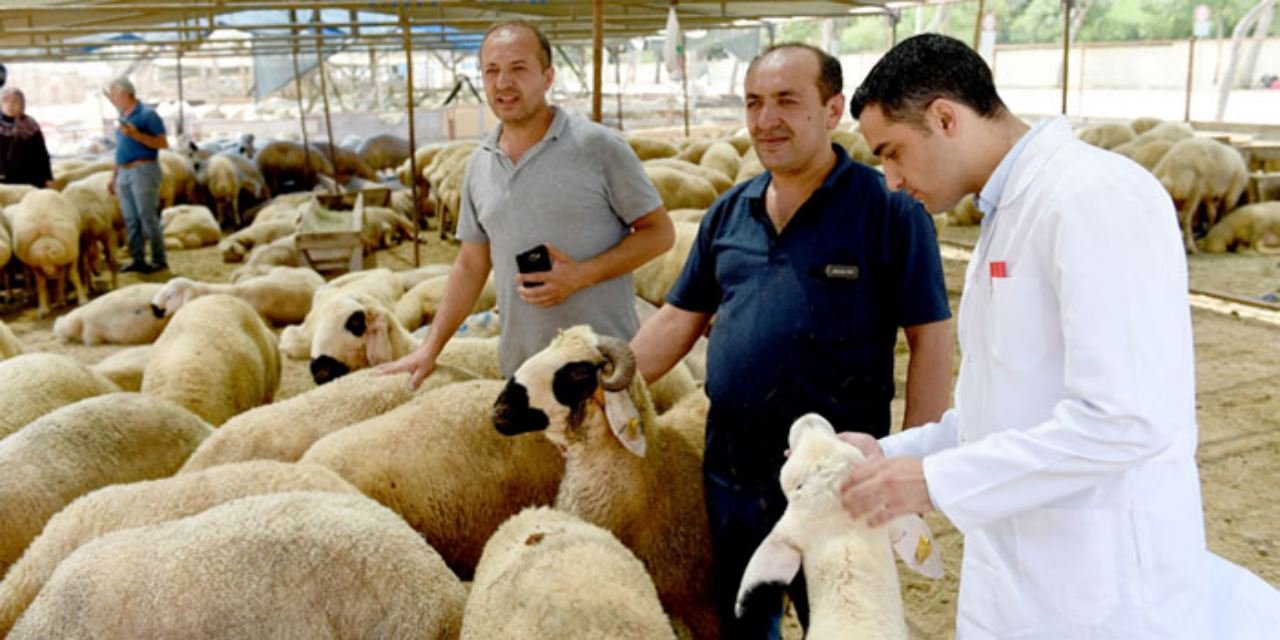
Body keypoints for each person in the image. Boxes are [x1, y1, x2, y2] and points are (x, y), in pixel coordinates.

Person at [838, 33, 1222, 638]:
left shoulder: (1091, 198)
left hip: (1104, 589)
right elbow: (1002, 415)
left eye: (893, 153)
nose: (890, 180)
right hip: (1028, 581)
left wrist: (934, 482)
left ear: (945, 118)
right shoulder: (1010, 213)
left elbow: (1126, 419)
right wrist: (894, 454)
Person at [629, 43, 953, 639]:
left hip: (839, 482)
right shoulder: (729, 213)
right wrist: (612, 381)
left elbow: (931, 339)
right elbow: (678, 319)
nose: (765, 119)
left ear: (832, 111)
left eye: (786, 101)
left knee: (846, 619)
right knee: (746, 621)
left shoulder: (887, 211)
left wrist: (913, 458)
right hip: (733, 471)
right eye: (754, 103)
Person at [380, 20, 673, 385]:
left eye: (518, 68)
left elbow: (660, 233)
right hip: (523, 373)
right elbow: (471, 264)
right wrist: (430, 347)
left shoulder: (598, 148)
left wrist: (581, 275)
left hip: (602, 367)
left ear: (548, 77)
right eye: (492, 70)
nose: (503, 82)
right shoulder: (479, 164)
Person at [106, 77, 168, 274]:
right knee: (131, 219)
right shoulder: (123, 116)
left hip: (144, 170)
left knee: (147, 216)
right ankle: (138, 259)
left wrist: (136, 135)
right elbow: (121, 149)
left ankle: (159, 260)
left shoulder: (148, 115)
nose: (113, 99)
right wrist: (114, 176)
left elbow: (162, 143)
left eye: (115, 95)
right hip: (124, 171)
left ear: (127, 94)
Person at [0, 87, 54, 189]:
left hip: (30, 179)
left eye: (15, 102)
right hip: (3, 180)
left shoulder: (30, 125)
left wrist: (48, 178)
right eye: (6, 101)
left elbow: (42, 154)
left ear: (22, 105)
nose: (10, 105)